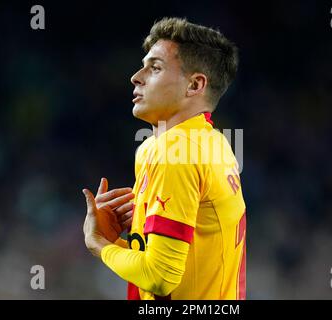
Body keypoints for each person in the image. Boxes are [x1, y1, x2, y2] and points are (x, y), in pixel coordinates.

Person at [82, 17, 246, 300]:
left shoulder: (175, 151)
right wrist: (125, 240)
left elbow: (160, 277)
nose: (136, 76)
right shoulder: (214, 142)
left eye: (155, 68)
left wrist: (99, 244)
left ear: (194, 85)